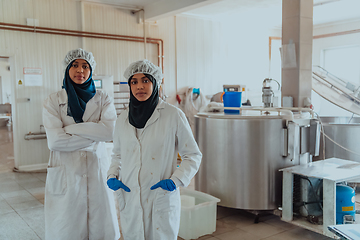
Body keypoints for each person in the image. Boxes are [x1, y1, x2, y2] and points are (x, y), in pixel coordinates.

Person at [107, 59, 202, 240]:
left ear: (155, 83)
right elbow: (117, 154)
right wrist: (112, 175)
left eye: (145, 80)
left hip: (160, 197)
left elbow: (193, 155)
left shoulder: (173, 115)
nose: (139, 87)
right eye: (134, 82)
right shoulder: (122, 118)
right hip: (130, 196)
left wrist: (176, 180)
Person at [43, 48, 120, 240]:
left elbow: (109, 132)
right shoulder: (53, 101)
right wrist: (94, 133)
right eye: (75, 65)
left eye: (85, 66)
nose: (80, 70)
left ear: (91, 71)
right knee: (67, 228)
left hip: (96, 169)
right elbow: (55, 141)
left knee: (99, 227)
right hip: (66, 171)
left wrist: (70, 130)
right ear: (67, 69)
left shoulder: (103, 99)